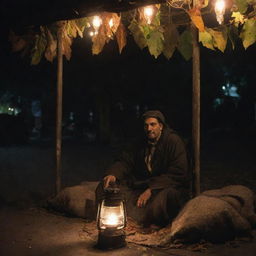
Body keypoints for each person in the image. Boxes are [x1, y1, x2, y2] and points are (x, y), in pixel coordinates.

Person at [96, 110, 190, 229]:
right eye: (146, 125)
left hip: (164, 187)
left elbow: (178, 172)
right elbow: (125, 161)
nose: (149, 129)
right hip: (141, 185)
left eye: (153, 124)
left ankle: (150, 219)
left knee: (166, 199)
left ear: (161, 126)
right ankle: (127, 217)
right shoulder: (140, 142)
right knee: (107, 188)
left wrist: (152, 189)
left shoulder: (173, 141)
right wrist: (113, 174)